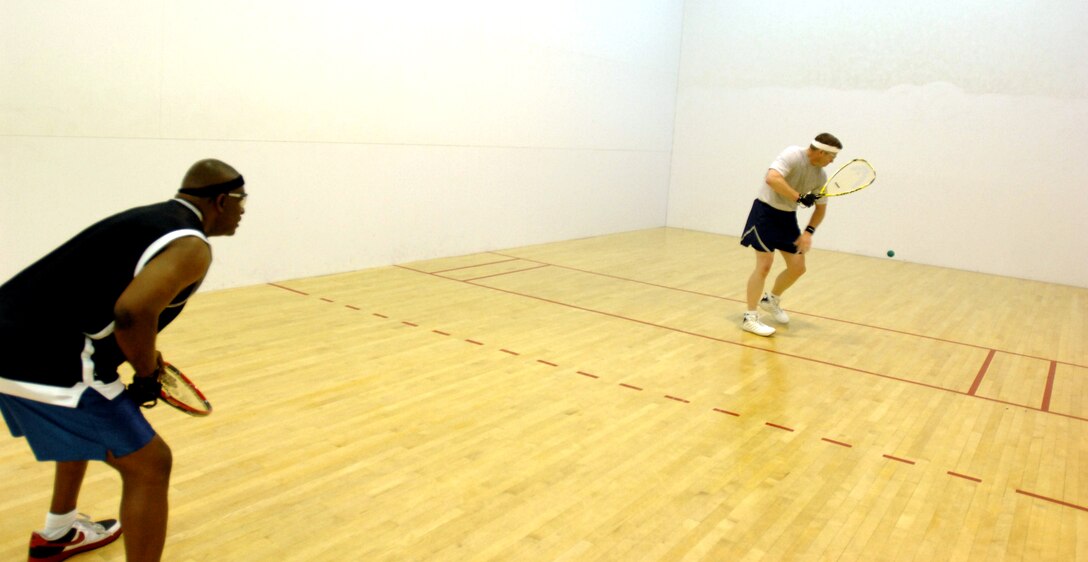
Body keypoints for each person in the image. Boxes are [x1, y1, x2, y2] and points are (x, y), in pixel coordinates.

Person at [0, 159, 247, 561]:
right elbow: (132, 314)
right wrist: (147, 373)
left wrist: (140, 354)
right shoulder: (192, 246)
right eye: (241, 204)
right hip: (50, 357)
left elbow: (104, 301)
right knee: (151, 465)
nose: (242, 214)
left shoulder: (147, 219)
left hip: (10, 341)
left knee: (78, 422)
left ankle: (59, 532)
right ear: (221, 200)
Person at [739, 133, 841, 336]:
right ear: (821, 152)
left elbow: (820, 209)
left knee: (797, 267)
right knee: (765, 265)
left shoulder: (820, 176)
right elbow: (772, 178)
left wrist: (808, 232)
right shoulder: (793, 154)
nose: (832, 161)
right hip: (765, 213)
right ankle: (750, 318)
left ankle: (771, 300)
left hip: (787, 219)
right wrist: (798, 196)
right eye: (831, 157)